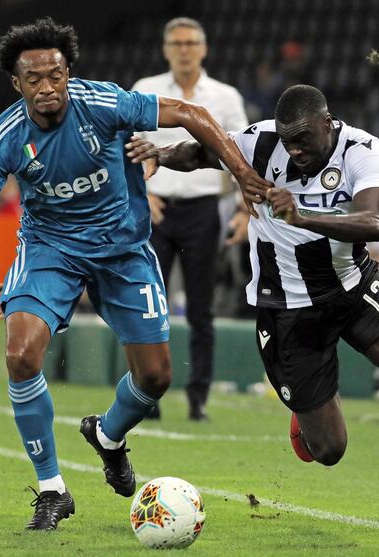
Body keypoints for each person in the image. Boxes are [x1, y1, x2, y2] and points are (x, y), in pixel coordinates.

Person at [0, 17, 269, 531]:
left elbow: (190, 113)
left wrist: (243, 174)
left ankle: (107, 436)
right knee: (18, 354)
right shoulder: (5, 137)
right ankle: (53, 489)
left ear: (68, 73)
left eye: (55, 75)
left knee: (156, 375)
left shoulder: (101, 103)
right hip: (49, 250)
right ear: (17, 83)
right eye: (33, 79)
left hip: (122, 250)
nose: (47, 86)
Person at [128, 84, 379, 534]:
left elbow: (377, 222)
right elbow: (198, 152)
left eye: (303, 139)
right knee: (329, 450)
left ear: (327, 123)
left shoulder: (360, 148)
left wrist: (302, 217)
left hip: (354, 288)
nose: (294, 149)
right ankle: (306, 414)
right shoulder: (260, 141)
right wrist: (159, 152)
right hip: (287, 310)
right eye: (287, 139)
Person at [132, 17, 248, 421]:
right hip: (155, 207)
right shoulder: (145, 90)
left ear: (203, 48)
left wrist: (244, 210)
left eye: (191, 42)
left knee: (201, 310)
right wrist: (140, 193)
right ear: (166, 49)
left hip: (202, 210)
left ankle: (198, 398)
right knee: (148, 306)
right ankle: (148, 395)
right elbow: (121, 145)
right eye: (177, 43)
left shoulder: (225, 96)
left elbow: (241, 156)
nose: (184, 49)